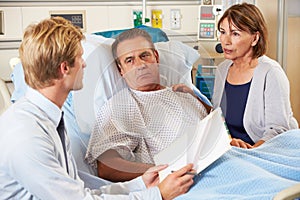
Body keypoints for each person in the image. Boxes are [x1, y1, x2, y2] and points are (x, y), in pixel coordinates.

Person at [0, 16, 196, 200]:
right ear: (64, 68)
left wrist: (141, 184)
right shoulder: (26, 135)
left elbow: (81, 192)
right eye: (79, 58)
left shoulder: (51, 121)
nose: (85, 65)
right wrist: (158, 195)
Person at [86, 28, 211, 182]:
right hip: (192, 179)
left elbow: (214, 124)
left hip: (225, 159)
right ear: (121, 70)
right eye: (129, 60)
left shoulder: (183, 92)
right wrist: (167, 170)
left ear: (156, 57)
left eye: (144, 55)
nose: (140, 65)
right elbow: (107, 167)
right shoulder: (122, 106)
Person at [212, 3, 298, 149]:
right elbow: (217, 116)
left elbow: (278, 131)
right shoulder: (222, 69)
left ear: (255, 38)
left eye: (235, 34)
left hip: (261, 151)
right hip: (230, 150)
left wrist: (251, 152)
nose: (225, 41)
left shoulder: (271, 73)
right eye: (222, 32)